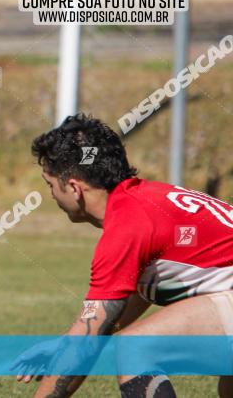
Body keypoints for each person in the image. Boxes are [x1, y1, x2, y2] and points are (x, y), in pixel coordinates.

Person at [17, 113, 233, 397]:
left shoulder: (128, 226)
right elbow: (109, 317)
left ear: (73, 188)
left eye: (50, 184)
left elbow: (87, 341)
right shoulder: (144, 200)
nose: (52, 195)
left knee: (136, 347)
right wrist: (65, 345)